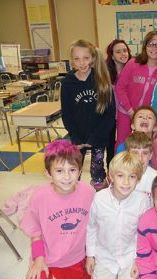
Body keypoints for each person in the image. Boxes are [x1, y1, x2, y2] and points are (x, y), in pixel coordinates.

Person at [22, 140, 95, 279]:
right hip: (47, 257)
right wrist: (39, 259)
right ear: (48, 173)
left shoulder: (89, 193)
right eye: (60, 171)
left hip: (76, 257)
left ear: (80, 170)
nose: (67, 177)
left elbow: (95, 226)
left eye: (72, 170)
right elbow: (35, 232)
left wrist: (92, 254)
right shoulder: (39, 197)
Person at [85, 151, 151, 279]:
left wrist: (139, 260)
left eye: (132, 176)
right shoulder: (99, 199)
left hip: (130, 258)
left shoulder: (142, 201)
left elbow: (144, 234)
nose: (126, 182)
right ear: (111, 177)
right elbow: (92, 228)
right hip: (104, 257)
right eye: (120, 176)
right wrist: (90, 255)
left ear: (138, 179)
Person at [61, 39, 115, 190]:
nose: (81, 62)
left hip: (98, 136)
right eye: (77, 58)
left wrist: (96, 137)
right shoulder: (67, 82)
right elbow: (67, 113)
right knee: (72, 170)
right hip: (77, 136)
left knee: (97, 172)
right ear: (72, 60)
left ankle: (99, 199)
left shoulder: (102, 80)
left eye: (85, 58)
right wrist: (76, 137)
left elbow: (109, 115)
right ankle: (73, 198)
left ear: (92, 58)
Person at [115, 31, 157, 147]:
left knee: (144, 145)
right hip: (126, 112)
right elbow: (120, 87)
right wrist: (130, 111)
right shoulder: (133, 63)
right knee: (123, 144)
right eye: (150, 44)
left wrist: (155, 120)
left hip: (147, 117)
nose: (154, 48)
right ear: (145, 46)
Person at [105, 39, 132, 168]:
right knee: (110, 144)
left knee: (124, 143)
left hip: (126, 114)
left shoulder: (133, 69)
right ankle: (111, 170)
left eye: (125, 50)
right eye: (118, 52)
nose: (123, 54)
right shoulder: (106, 74)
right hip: (110, 115)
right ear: (112, 55)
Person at [125, 131, 157, 201]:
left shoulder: (156, 178)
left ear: (150, 155)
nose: (140, 158)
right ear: (127, 154)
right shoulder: (121, 174)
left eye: (145, 153)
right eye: (135, 153)